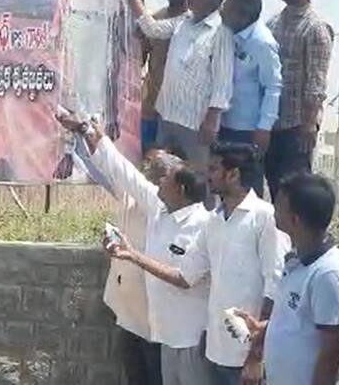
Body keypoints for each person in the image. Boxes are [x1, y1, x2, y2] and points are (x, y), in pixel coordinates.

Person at [108, 142, 287, 385]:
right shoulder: (214, 222)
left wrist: (257, 356)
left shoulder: (264, 218)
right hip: (215, 350)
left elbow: (274, 287)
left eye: (214, 169)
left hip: (248, 357)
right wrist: (133, 255)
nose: (208, 176)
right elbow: (185, 277)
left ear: (233, 174)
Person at [58, 111, 212, 385]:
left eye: (166, 178)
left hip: (189, 338)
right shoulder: (160, 207)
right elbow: (122, 170)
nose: (158, 182)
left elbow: (184, 279)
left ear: (182, 189)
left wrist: (134, 255)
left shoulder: (203, 226)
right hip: (158, 330)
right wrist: (86, 130)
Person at [234, 173, 339, 385]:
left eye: (279, 206)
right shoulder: (295, 263)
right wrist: (265, 329)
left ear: (294, 219)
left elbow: (331, 354)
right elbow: (301, 322)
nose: (274, 212)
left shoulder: (328, 273)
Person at [116, 0, 234, 171]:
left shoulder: (221, 33)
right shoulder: (183, 22)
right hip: (167, 115)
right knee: (164, 175)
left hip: (195, 124)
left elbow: (222, 83)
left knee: (196, 178)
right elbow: (152, 29)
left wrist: (212, 121)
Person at [53, 0, 141, 178]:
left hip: (105, 26)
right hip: (76, 25)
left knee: (101, 92)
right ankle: (72, 156)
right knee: (73, 91)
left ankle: (101, 161)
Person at [265, 0, 333, 198]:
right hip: (269, 121)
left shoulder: (315, 29)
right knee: (274, 187)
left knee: (294, 191)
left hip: (296, 126)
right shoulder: (272, 24)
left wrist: (309, 123)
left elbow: (316, 82)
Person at [219, 0, 282, 196]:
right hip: (225, 123)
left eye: (227, 8)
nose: (221, 11)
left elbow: (273, 86)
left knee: (245, 188)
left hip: (247, 130)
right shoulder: (230, 32)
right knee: (223, 184)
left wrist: (264, 128)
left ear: (243, 15)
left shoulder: (262, 43)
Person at [139, 0, 189, 154]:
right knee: (149, 165)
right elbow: (139, 62)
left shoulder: (197, 24)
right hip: (152, 108)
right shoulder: (154, 21)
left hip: (181, 113)